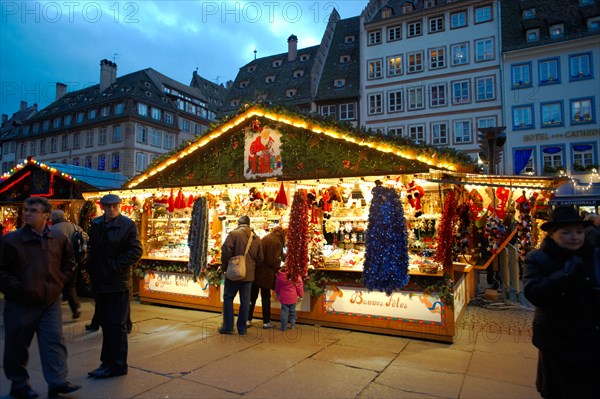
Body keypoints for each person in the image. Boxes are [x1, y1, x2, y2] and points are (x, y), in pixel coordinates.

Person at [0, 197, 81, 398]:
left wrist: (59, 282)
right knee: (17, 345)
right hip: (21, 302)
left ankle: (57, 381)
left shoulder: (58, 238)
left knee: (54, 341)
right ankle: (19, 385)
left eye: (33, 210)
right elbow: (1, 271)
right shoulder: (12, 240)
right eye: (26, 210)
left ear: (46, 215)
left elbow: (69, 262)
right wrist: (19, 289)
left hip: (50, 301)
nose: (27, 213)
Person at [523, 205, 600, 398]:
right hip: (556, 342)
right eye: (566, 232)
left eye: (579, 231)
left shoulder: (593, 255)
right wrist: (566, 274)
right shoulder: (538, 258)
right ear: (551, 234)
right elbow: (534, 293)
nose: (574, 237)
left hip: (590, 339)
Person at [87, 194, 142, 379]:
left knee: (116, 326)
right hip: (101, 281)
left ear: (119, 206)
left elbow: (136, 250)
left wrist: (114, 265)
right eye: (107, 206)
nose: (111, 210)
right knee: (106, 324)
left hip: (117, 282)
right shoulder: (96, 224)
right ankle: (107, 362)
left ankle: (117, 365)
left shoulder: (127, 225)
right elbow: (93, 250)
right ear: (102, 207)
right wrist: (92, 269)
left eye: (114, 206)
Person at [220, 215, 262, 335]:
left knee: (228, 297)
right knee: (245, 301)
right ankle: (242, 328)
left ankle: (228, 327)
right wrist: (251, 266)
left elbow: (226, 251)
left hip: (234, 272)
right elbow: (260, 258)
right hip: (249, 275)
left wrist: (225, 267)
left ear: (239, 223)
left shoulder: (234, 234)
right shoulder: (256, 238)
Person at [248, 226, 286, 329]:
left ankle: (248, 319)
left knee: (252, 296)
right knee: (265, 297)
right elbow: (272, 261)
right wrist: (279, 264)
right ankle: (266, 322)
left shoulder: (266, 238)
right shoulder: (277, 242)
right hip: (266, 274)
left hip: (257, 272)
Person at [49, 209, 82, 320]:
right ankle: (75, 307)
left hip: (57, 262)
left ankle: (55, 307)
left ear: (53, 218)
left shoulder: (51, 229)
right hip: (73, 261)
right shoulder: (75, 227)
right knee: (71, 285)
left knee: (58, 284)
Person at [275, 266, 304, 331]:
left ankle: (283, 327)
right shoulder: (294, 275)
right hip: (293, 297)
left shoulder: (279, 276)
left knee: (284, 312)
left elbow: (277, 286)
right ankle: (292, 325)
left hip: (283, 297)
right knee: (292, 311)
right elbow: (299, 285)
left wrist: (277, 293)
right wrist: (301, 295)